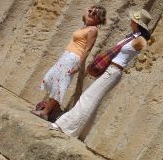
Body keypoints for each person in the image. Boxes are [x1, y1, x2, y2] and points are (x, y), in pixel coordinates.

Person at [49, 9, 152, 138]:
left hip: (114, 71)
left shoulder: (140, 39)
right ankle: (79, 132)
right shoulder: (132, 36)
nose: (130, 21)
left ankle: (63, 125)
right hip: (110, 70)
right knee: (92, 100)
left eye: (133, 19)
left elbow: (147, 48)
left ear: (136, 22)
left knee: (87, 98)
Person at [31, 6, 107, 120]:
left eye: (94, 13)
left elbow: (87, 49)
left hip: (73, 58)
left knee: (60, 84)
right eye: (90, 11)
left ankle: (45, 112)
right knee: (54, 80)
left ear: (99, 19)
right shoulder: (86, 27)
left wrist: (79, 65)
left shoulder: (93, 30)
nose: (91, 13)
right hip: (67, 56)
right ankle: (53, 109)